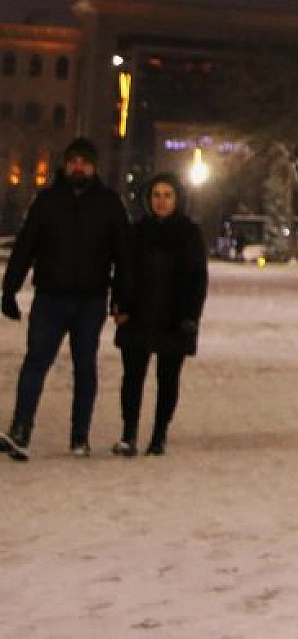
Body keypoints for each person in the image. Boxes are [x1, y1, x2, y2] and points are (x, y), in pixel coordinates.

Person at [1, 137, 133, 461]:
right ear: (65, 164)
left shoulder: (109, 203)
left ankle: (79, 436)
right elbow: (25, 247)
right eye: (73, 161)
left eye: (84, 162)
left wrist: (121, 299)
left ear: (94, 166)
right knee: (35, 364)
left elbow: (124, 255)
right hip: (50, 297)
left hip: (90, 300)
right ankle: (20, 428)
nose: (78, 167)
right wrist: (10, 289)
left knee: (84, 368)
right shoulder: (47, 201)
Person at [110, 172, 209, 457]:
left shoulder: (189, 233)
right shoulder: (137, 231)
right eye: (156, 195)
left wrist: (191, 316)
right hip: (138, 314)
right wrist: (119, 305)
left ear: (177, 199)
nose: (161, 202)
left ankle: (159, 435)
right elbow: (123, 272)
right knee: (132, 377)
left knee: (168, 378)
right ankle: (129, 434)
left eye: (167, 196)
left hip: (174, 317)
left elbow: (197, 279)